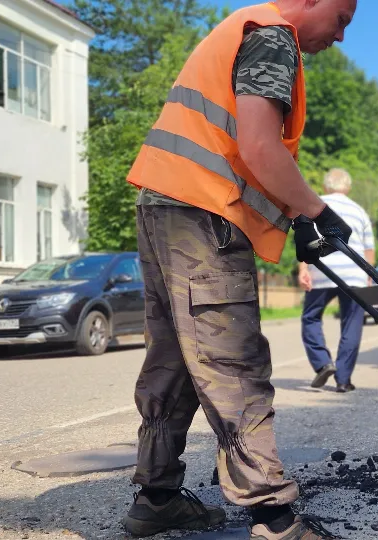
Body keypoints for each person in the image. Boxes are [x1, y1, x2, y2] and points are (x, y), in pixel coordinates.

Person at [122, 1, 357, 539]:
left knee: (174, 358)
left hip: (165, 204)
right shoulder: (273, 36)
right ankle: (273, 517)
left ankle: (157, 497)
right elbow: (258, 145)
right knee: (234, 362)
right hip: (204, 212)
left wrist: (297, 216)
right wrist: (315, 211)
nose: (340, 36)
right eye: (341, 18)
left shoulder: (242, 28)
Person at [298, 168, 375, 393]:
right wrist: (368, 276)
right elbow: (369, 249)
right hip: (354, 274)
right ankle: (343, 380)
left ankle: (323, 363)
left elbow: (305, 240)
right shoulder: (359, 211)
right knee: (352, 324)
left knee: (311, 317)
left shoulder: (316, 204)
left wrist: (303, 269)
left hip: (322, 270)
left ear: (326, 186)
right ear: (348, 188)